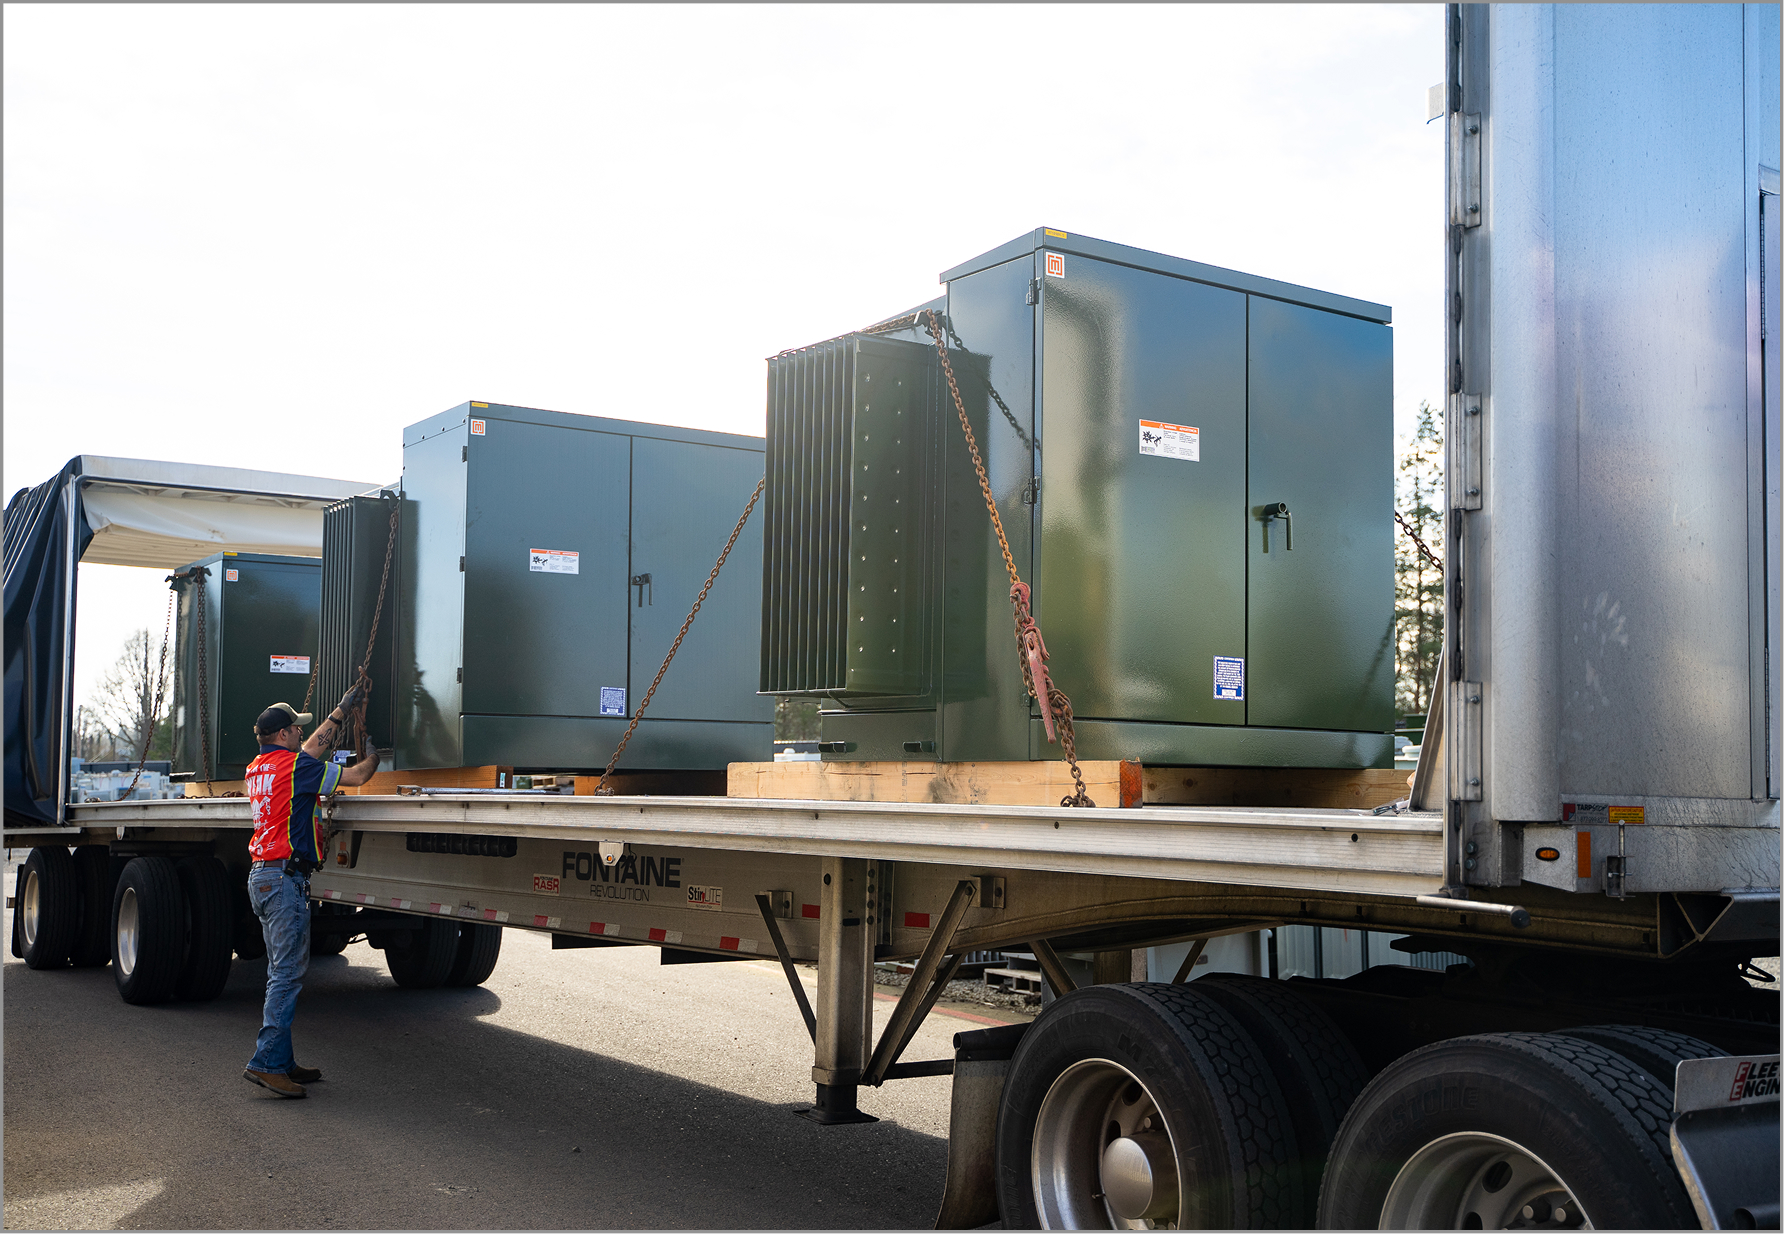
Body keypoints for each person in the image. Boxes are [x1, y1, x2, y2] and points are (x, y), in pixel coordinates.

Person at [242, 686, 380, 1098]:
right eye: (296, 729)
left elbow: (310, 750)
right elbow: (357, 777)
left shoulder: (258, 768)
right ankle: (266, 1063)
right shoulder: (296, 768)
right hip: (284, 880)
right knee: (286, 975)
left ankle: (282, 1060)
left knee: (279, 973)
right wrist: (373, 755)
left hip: (263, 877)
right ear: (283, 734)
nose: (303, 734)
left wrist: (340, 711)